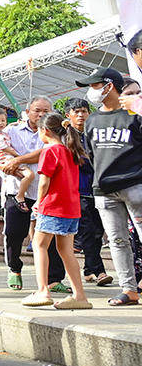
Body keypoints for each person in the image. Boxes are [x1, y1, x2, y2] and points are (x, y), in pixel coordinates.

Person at [76, 67, 142, 306]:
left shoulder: (135, 114)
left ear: (109, 86)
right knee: (117, 241)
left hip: (136, 186)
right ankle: (128, 290)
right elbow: (92, 155)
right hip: (104, 189)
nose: (92, 92)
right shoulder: (92, 120)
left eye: (95, 86)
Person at [20, 113, 92, 309]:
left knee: (39, 245)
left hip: (52, 205)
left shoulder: (50, 151)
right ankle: (80, 295)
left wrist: (39, 201)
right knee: (66, 250)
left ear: (45, 131)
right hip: (71, 207)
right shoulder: (71, 150)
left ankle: (43, 289)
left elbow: (44, 181)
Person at [0, 97, 64, 291]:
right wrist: (4, 165)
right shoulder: (11, 131)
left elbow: (46, 154)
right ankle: (14, 269)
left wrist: (16, 160)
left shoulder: (57, 133)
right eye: (37, 110)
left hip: (47, 191)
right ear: (27, 111)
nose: (41, 114)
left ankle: (54, 279)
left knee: (51, 236)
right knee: (14, 233)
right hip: (17, 190)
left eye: (46, 110)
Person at [65, 98, 110, 287]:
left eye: (84, 111)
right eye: (76, 112)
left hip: (99, 189)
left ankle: (89, 270)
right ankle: (99, 271)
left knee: (98, 231)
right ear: (68, 115)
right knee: (88, 231)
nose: (81, 115)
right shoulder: (66, 136)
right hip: (78, 191)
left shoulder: (95, 133)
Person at [0, 107, 36, 210]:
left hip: (3, 161)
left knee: (15, 180)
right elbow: (6, 148)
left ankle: (14, 199)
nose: (1, 123)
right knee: (29, 175)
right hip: (7, 160)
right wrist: (19, 157)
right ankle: (20, 196)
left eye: (3, 120)